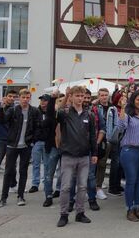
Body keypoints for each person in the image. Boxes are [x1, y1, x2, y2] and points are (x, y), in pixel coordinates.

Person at [54, 86, 97, 227]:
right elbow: (55, 113)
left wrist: (94, 153)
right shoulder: (65, 113)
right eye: (77, 95)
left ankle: (80, 213)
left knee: (82, 186)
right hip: (68, 156)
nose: (80, 98)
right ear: (71, 96)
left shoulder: (89, 115)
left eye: (82, 96)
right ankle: (64, 214)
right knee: (66, 187)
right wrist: (65, 96)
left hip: (84, 156)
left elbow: (92, 136)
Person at [0, 88, 40, 208]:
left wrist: (32, 142)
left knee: (23, 171)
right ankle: (3, 198)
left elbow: (37, 126)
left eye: (27, 97)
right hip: (12, 145)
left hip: (26, 145)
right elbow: (2, 121)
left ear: (30, 98)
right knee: (8, 171)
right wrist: (1, 108)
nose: (25, 100)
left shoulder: (34, 111)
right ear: (19, 98)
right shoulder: (13, 110)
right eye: (23, 97)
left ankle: (21, 196)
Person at [118, 91, 139, 222]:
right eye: (138, 100)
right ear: (133, 100)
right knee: (131, 181)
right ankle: (129, 209)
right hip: (130, 151)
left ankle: (138, 208)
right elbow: (121, 127)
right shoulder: (127, 115)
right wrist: (122, 107)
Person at [0, 90, 18, 197]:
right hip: (0, 140)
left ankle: (13, 185)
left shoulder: (17, 109)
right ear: (5, 97)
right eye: (10, 96)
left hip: (12, 140)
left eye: (14, 96)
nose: (11, 98)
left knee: (12, 165)